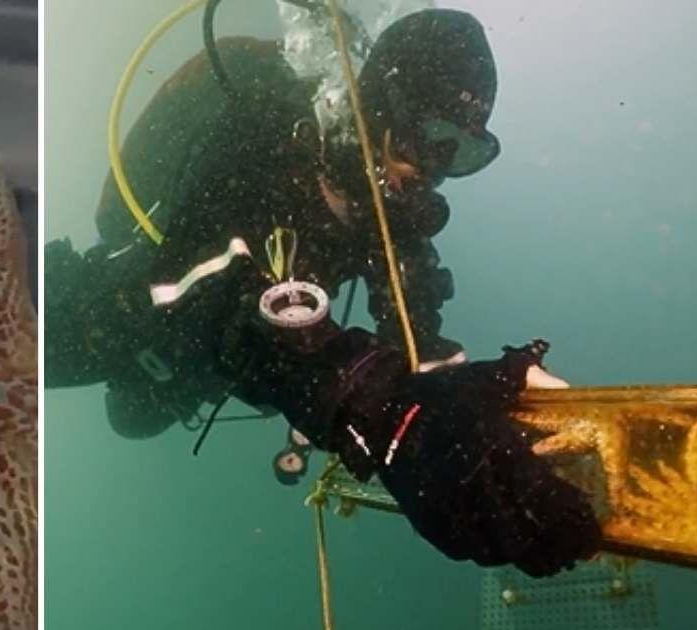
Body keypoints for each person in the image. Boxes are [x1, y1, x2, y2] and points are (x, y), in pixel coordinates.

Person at [47, 7, 601, 577]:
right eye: (428, 136)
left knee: (136, 415)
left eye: (460, 151)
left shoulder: (391, 219)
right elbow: (221, 307)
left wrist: (468, 396)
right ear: (381, 109)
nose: (431, 169)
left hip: (191, 378)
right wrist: (381, 415)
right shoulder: (262, 139)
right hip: (118, 319)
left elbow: (417, 344)